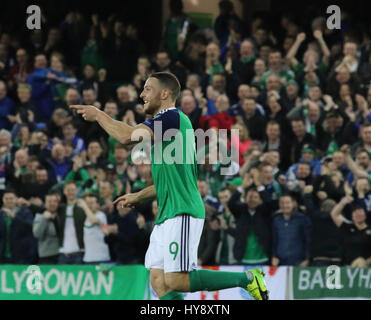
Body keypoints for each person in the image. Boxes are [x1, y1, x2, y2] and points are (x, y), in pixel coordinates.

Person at [70, 71, 268, 300]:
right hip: (167, 214)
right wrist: (139, 196)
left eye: (147, 89)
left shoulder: (171, 118)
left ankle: (248, 279)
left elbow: (127, 137)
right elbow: (168, 183)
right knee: (159, 282)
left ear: (164, 93)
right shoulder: (166, 128)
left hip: (182, 210)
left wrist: (99, 115)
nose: (142, 94)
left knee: (177, 280)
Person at [330, 195, 371, 267]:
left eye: (360, 212)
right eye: (355, 212)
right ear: (352, 216)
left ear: (365, 214)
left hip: (366, 269)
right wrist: (343, 203)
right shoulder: (347, 227)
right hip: (347, 267)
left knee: (360, 261)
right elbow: (334, 214)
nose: (358, 214)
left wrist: (367, 262)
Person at [78, 193, 110, 264]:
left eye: (92, 203)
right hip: (88, 258)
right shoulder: (86, 217)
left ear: (98, 205)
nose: (89, 205)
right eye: (87, 203)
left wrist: (84, 206)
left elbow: (93, 220)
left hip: (101, 258)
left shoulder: (101, 215)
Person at [32, 193, 60, 264]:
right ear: (45, 203)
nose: (52, 203)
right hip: (46, 256)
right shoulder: (39, 217)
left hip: (61, 255)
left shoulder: (61, 216)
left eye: (54, 201)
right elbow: (37, 234)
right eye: (49, 201)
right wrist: (44, 218)